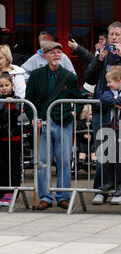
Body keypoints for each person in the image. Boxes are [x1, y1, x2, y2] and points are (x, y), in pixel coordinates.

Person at [25, 41, 84, 210]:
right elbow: (29, 100)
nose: (56, 55)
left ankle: (63, 195)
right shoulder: (36, 75)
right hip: (42, 124)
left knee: (65, 161)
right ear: (45, 56)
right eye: (52, 53)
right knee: (43, 162)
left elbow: (78, 98)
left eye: (59, 52)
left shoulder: (69, 76)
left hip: (63, 123)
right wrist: (32, 117)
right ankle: (45, 196)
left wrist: (75, 113)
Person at [83, 21, 121, 205]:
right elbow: (88, 77)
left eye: (117, 35)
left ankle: (120, 190)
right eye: (111, 34)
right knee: (102, 151)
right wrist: (98, 59)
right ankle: (102, 189)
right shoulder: (101, 55)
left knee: (120, 153)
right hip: (101, 111)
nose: (113, 37)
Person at [97, 66, 121, 205]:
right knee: (107, 154)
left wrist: (116, 100)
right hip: (112, 127)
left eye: (110, 82)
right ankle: (108, 182)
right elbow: (104, 97)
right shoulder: (112, 91)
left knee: (120, 157)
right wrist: (118, 100)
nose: (108, 85)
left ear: (118, 80)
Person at [0, 72, 22, 207]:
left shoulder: (18, 99)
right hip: (1, 138)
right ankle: (2, 191)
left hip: (13, 137)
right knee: (1, 166)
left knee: (13, 166)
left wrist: (11, 104)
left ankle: (12, 192)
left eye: (6, 85)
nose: (4, 88)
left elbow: (18, 115)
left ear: (12, 85)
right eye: (1, 86)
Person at [68, 31, 108, 96]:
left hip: (97, 89)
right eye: (99, 39)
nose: (99, 41)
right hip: (90, 87)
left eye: (102, 39)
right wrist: (77, 48)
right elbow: (92, 62)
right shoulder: (98, 52)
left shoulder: (106, 53)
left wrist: (78, 48)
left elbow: (90, 59)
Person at [76, 104, 97, 170]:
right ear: (85, 115)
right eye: (90, 114)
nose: (92, 116)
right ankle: (81, 159)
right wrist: (83, 135)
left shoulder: (94, 122)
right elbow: (78, 131)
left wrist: (92, 135)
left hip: (92, 141)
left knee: (93, 148)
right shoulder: (80, 122)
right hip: (83, 141)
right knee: (82, 147)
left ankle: (94, 160)